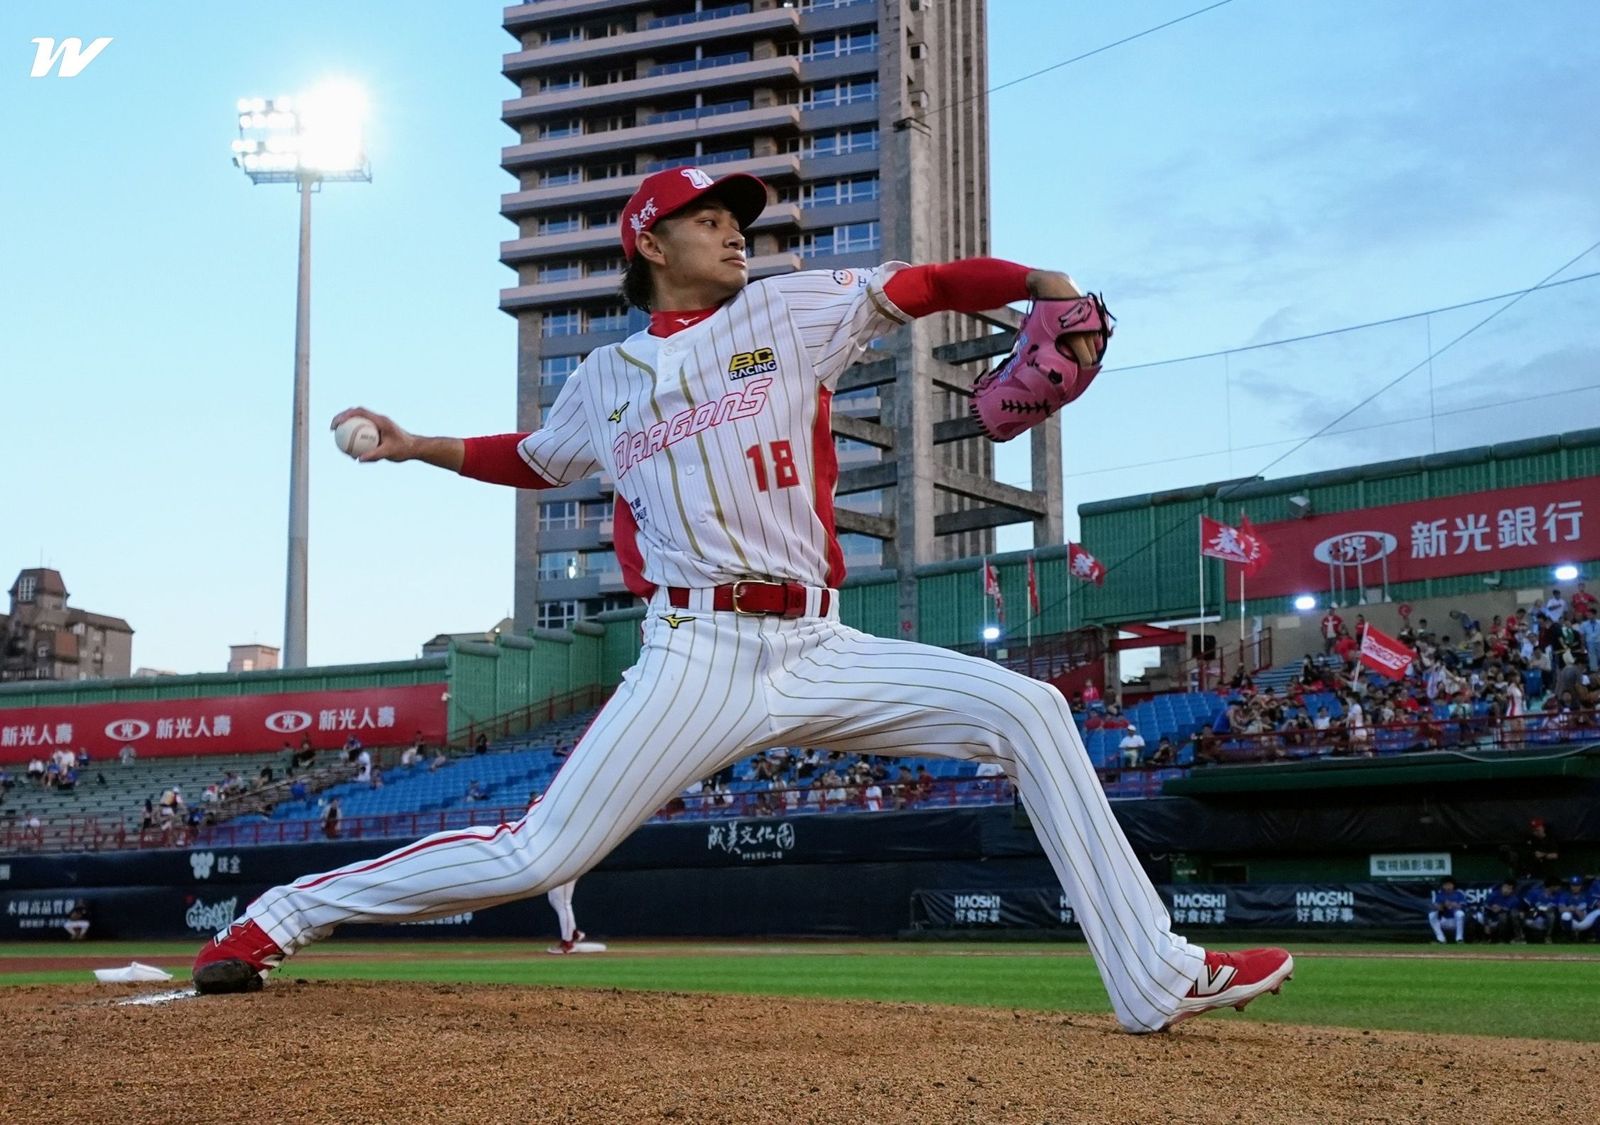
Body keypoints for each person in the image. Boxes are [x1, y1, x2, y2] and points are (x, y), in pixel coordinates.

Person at [190, 165, 1291, 1033]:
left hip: (817, 641)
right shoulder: (606, 380)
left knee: (1032, 712)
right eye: (707, 218)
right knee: (541, 856)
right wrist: (414, 445)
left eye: (738, 218)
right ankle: (279, 916)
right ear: (647, 243)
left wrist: (1042, 285)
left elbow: (926, 285)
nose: (734, 231)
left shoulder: (792, 313)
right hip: (694, 653)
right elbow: (536, 458)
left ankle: (1157, 977)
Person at [1427, 878, 1467, 944]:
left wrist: (1452, 904)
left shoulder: (1459, 894)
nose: (1448, 886)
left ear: (1453, 885)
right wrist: (1442, 906)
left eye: (1449, 884)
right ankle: (1441, 939)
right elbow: (1437, 907)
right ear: (1443, 886)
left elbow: (1462, 906)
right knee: (1431, 915)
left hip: (1455, 921)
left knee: (1460, 913)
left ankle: (1459, 939)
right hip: (1444, 921)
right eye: (1445, 885)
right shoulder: (1440, 895)